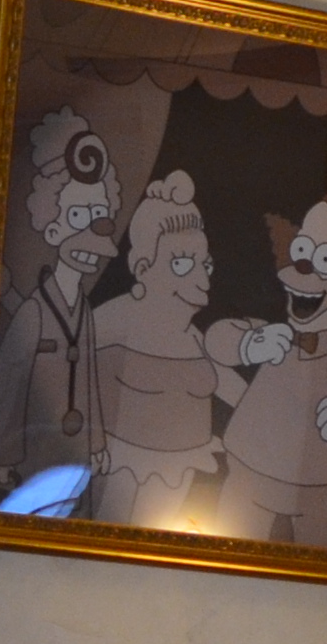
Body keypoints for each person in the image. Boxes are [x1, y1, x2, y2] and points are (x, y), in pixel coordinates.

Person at [212, 195, 327, 550]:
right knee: (224, 556)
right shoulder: (269, 337)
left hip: (322, 489)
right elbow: (218, 338)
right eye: (302, 251)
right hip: (249, 475)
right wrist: (248, 344)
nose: (305, 268)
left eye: (324, 260)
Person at [0, 108, 119, 498]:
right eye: (79, 214)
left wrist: (96, 443)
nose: (94, 227)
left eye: (99, 214)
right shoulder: (33, 313)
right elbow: (8, 384)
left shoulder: (84, 310)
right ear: (54, 227)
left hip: (73, 460)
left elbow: (89, 379)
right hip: (32, 460)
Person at [84, 173, 230, 527]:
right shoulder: (115, 318)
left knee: (156, 536)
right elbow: (73, 370)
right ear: (143, 268)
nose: (202, 280)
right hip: (121, 460)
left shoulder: (193, 338)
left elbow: (227, 384)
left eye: (205, 264)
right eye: (181, 264)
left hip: (179, 465)